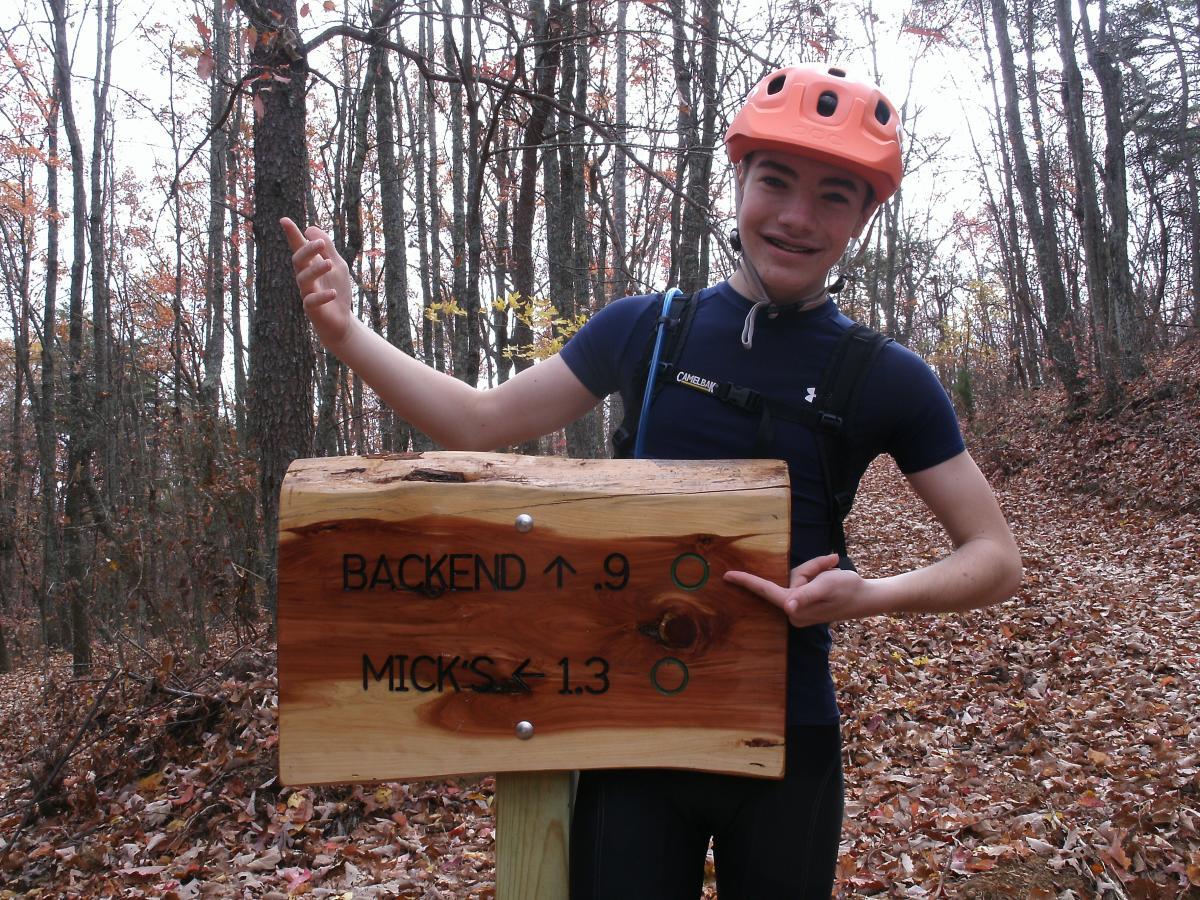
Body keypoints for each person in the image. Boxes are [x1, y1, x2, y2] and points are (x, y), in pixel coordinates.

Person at [283, 63, 1022, 899]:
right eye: (775, 181)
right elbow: (477, 422)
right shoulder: (647, 330)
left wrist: (873, 593)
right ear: (738, 176)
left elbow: (995, 556)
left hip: (786, 733)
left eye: (834, 196)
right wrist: (347, 333)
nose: (795, 216)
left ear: (865, 217)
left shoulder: (887, 377)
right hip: (628, 722)